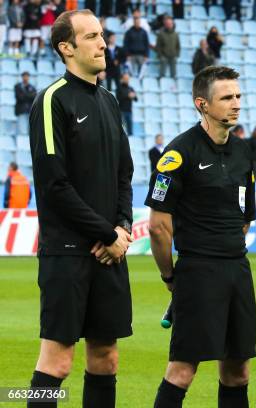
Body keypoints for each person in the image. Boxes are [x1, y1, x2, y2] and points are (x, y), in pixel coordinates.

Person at [28, 9, 134, 408]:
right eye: (91, 36)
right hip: (68, 254)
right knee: (57, 362)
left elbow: (125, 173)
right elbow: (55, 185)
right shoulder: (52, 100)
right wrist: (105, 234)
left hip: (110, 253)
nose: (103, 43)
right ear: (67, 48)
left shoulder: (108, 101)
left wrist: (121, 228)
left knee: (106, 359)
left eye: (102, 34)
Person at [147, 65, 256, 408]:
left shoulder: (243, 152)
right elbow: (158, 226)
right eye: (227, 97)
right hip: (198, 272)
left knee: (238, 371)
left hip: (238, 270)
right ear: (202, 104)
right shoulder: (179, 153)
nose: (236, 103)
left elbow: (244, 218)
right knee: (182, 370)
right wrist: (170, 277)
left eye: (238, 95)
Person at [123, 14, 150, 78]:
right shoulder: (129, 32)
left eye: (138, 21)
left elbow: (147, 44)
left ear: (140, 22)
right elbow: (126, 44)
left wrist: (146, 55)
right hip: (131, 55)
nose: (137, 23)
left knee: (141, 74)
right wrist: (127, 55)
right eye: (135, 21)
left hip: (141, 55)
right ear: (133, 22)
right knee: (130, 73)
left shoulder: (144, 32)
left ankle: (141, 86)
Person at [15, 72, 37, 136]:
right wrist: (30, 95)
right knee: (22, 130)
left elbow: (34, 97)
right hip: (21, 111)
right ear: (22, 77)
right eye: (24, 76)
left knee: (29, 130)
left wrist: (25, 95)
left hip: (30, 111)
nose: (26, 78)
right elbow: (19, 97)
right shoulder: (17, 86)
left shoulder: (32, 87)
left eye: (27, 76)